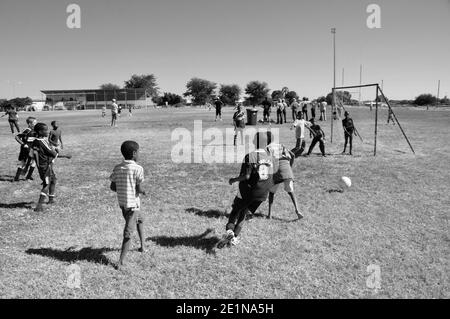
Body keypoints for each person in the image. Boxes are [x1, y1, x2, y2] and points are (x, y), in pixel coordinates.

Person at [217, 132, 274, 248]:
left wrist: (233, 179)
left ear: (256, 142)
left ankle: (229, 232)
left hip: (249, 191)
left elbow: (246, 176)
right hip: (263, 193)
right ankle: (234, 238)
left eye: (254, 139)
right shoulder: (269, 155)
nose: (252, 141)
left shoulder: (250, 156)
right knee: (244, 213)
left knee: (235, 211)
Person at [110, 141, 146, 270]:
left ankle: (143, 246)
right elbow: (139, 188)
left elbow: (112, 187)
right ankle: (121, 262)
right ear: (134, 153)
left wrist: (123, 187)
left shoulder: (117, 168)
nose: (139, 154)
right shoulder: (138, 168)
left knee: (140, 220)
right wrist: (143, 191)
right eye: (139, 152)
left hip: (123, 204)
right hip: (133, 205)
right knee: (128, 233)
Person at [266, 133, 303, 220]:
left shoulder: (267, 148)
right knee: (291, 191)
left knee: (271, 192)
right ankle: (297, 210)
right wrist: (290, 167)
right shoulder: (281, 145)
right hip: (286, 168)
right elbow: (293, 155)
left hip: (276, 170)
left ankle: (269, 214)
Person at [32, 123, 59, 212]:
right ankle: (39, 206)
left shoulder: (35, 141)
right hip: (45, 166)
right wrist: (65, 155)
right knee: (46, 184)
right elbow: (52, 153)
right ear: (40, 131)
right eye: (46, 130)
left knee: (53, 180)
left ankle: (51, 199)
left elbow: (32, 153)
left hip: (43, 166)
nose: (48, 131)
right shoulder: (41, 141)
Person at [14, 117, 37, 181]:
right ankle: (16, 177)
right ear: (30, 124)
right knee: (23, 163)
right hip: (25, 150)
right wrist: (23, 144)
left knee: (34, 162)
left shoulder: (35, 130)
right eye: (35, 123)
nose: (36, 124)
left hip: (33, 149)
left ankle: (28, 176)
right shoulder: (27, 130)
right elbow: (17, 137)